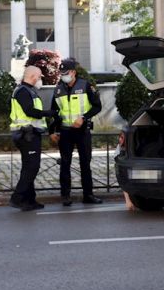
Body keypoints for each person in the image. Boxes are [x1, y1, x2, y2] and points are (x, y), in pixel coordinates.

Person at [49, 59, 103, 206]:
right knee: (65, 164)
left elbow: (97, 107)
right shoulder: (58, 89)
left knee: (85, 164)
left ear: (73, 72)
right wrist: (52, 131)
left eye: (65, 73)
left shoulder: (86, 86)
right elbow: (54, 112)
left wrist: (84, 118)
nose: (63, 76)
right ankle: (65, 196)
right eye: (61, 73)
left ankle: (88, 195)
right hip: (65, 132)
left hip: (82, 131)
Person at [9, 66, 58, 211]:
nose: (40, 79)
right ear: (33, 76)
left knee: (29, 167)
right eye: (40, 76)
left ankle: (29, 200)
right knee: (32, 167)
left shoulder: (28, 90)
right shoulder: (23, 91)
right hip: (26, 135)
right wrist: (49, 113)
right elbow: (29, 111)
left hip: (31, 134)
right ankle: (17, 198)